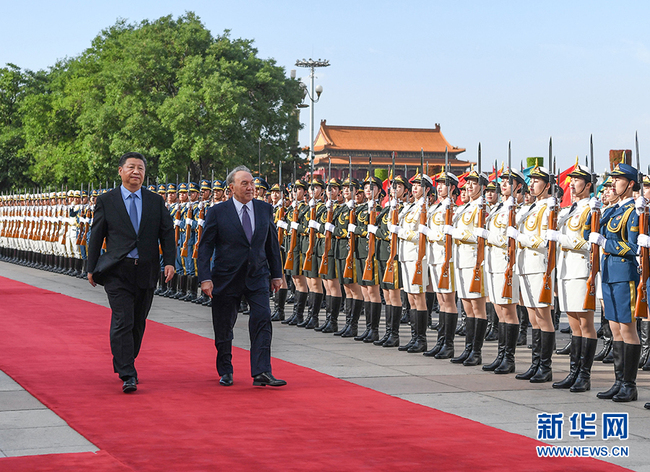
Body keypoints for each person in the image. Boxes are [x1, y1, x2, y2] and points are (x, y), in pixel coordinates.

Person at [87, 152, 176, 394]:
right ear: (120, 171)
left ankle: (127, 359)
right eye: (131, 167)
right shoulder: (107, 200)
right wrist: (91, 267)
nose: (136, 172)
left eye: (140, 168)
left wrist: (169, 261)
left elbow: (167, 233)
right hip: (118, 270)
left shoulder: (155, 201)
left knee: (138, 322)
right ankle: (127, 372)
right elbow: (96, 235)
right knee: (122, 320)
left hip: (146, 270)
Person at [198, 165, 285, 387]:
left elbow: (271, 244)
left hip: (257, 275)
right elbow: (205, 247)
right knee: (224, 325)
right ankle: (225, 368)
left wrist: (277, 274)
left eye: (252, 183)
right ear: (231, 188)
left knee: (262, 318)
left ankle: (261, 371)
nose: (250, 187)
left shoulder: (264, 209)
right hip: (226, 277)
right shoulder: (217, 212)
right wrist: (205, 278)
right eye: (244, 183)